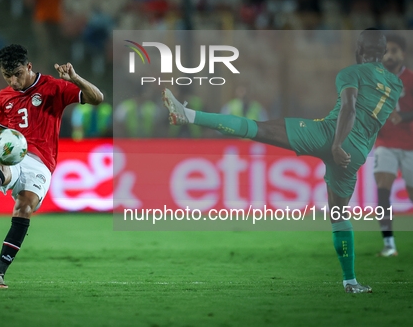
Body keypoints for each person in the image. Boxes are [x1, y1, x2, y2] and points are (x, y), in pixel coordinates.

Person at [162, 29, 402, 294]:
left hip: (330, 136)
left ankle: (187, 114)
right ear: (382, 52)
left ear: (359, 50)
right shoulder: (396, 84)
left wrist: (335, 144)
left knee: (259, 128)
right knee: (338, 215)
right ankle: (350, 282)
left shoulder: (351, 73)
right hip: (356, 154)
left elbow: (349, 107)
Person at [0, 44, 103, 288]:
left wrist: (75, 79)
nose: (13, 81)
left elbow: (97, 99)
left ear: (28, 66)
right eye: (7, 76)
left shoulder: (54, 87)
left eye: (17, 73)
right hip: (14, 152)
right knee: (5, 160)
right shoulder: (4, 96)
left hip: (41, 162)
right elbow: (0, 129)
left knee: (24, 208)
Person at [373, 34, 413, 257]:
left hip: (410, 144)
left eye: (394, 50)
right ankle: (389, 244)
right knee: (382, 190)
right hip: (385, 142)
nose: (389, 55)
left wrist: (405, 117)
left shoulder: (411, 78)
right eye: (386, 51)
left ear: (402, 54)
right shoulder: (375, 81)